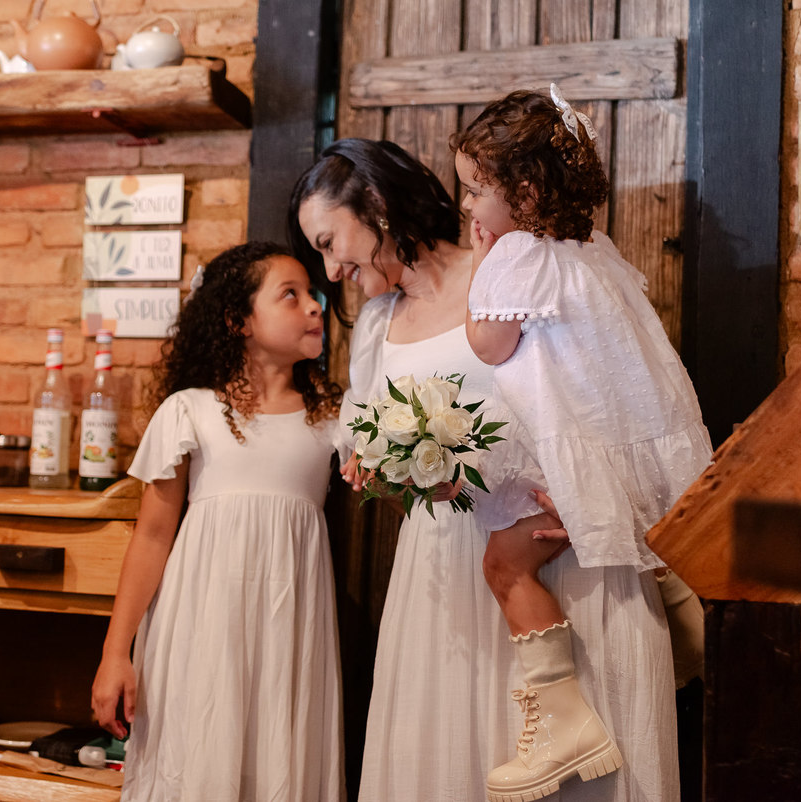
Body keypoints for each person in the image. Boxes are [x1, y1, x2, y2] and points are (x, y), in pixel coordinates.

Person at [290, 139, 594, 802]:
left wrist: (591, 496)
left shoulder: (504, 272)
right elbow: (381, 464)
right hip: (438, 567)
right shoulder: (377, 326)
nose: (330, 267)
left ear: (374, 205)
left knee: (538, 743)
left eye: (328, 241)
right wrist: (392, 473)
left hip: (536, 548)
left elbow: (587, 397)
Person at [451, 86, 710, 800]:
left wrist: (481, 264)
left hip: (555, 455)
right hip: (618, 447)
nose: (470, 209)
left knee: (505, 566)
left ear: (525, 192)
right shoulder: (593, 249)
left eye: (477, 191)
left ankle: (561, 719)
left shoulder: (514, 256)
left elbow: (490, 342)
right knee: (643, 552)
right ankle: (690, 630)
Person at [89, 241, 346, 802]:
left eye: (313, 295)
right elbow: (153, 536)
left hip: (288, 632)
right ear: (239, 321)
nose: (313, 307)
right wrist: (116, 653)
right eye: (290, 295)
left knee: (277, 756)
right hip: (200, 626)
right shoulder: (191, 411)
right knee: (199, 753)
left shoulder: (334, 420)